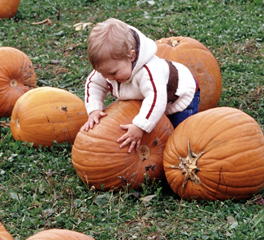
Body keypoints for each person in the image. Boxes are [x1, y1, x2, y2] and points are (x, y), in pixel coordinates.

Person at [82, 18, 200, 152]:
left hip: (179, 97)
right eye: (103, 73)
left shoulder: (149, 72)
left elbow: (156, 98)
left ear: (131, 56)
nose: (108, 78)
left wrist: (140, 126)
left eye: (113, 73)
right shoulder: (110, 66)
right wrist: (94, 109)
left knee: (178, 137)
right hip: (153, 97)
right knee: (153, 121)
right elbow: (94, 84)